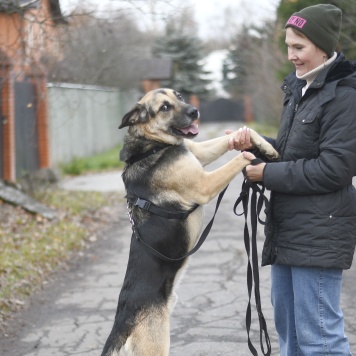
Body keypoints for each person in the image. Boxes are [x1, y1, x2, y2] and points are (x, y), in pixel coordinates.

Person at [228, 4, 356, 355]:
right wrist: (257, 144)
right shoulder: (299, 90)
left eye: (299, 47)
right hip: (288, 230)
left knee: (320, 340)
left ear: (323, 46)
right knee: (292, 338)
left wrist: (267, 173)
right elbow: (290, 152)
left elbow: (334, 168)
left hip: (319, 233)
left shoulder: (344, 96)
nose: (291, 56)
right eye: (288, 46)